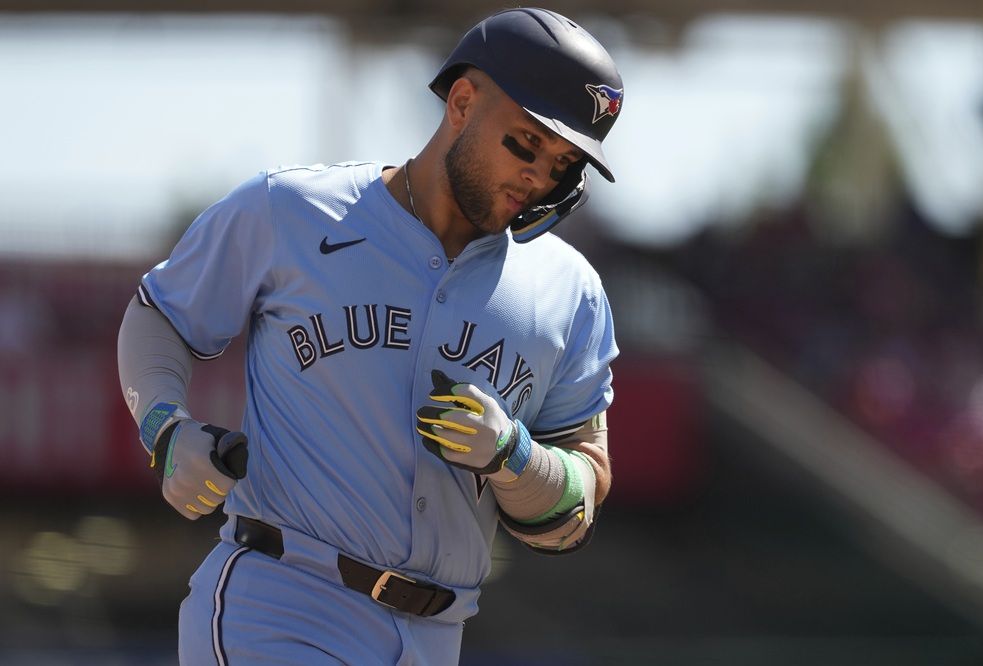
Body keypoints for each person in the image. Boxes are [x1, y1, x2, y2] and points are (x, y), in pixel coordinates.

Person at [117, 6, 624, 664]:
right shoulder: (292, 209)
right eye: (526, 143)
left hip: (438, 634)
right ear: (463, 102)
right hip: (282, 604)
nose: (538, 175)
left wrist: (516, 459)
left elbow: (578, 503)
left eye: (563, 164)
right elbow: (158, 315)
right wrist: (164, 426)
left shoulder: (571, 292)